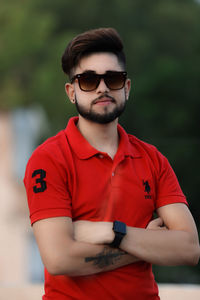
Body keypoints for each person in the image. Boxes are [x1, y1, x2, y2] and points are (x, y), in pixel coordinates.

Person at [24, 27, 200, 300]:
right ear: (72, 91)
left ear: (126, 88)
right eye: (88, 80)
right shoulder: (48, 159)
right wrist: (144, 242)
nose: (103, 87)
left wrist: (112, 232)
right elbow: (59, 259)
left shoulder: (153, 159)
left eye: (113, 78)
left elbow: (189, 248)